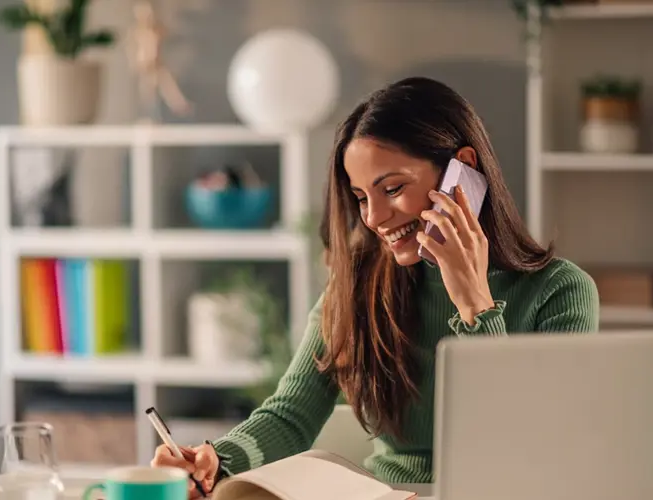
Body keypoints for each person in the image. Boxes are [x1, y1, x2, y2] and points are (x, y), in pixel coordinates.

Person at [151, 77, 600, 496]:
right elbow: (290, 415)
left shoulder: (560, 292)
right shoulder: (359, 285)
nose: (374, 218)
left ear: (461, 171)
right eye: (362, 196)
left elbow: (538, 445)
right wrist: (216, 459)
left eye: (393, 188)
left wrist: (475, 304)